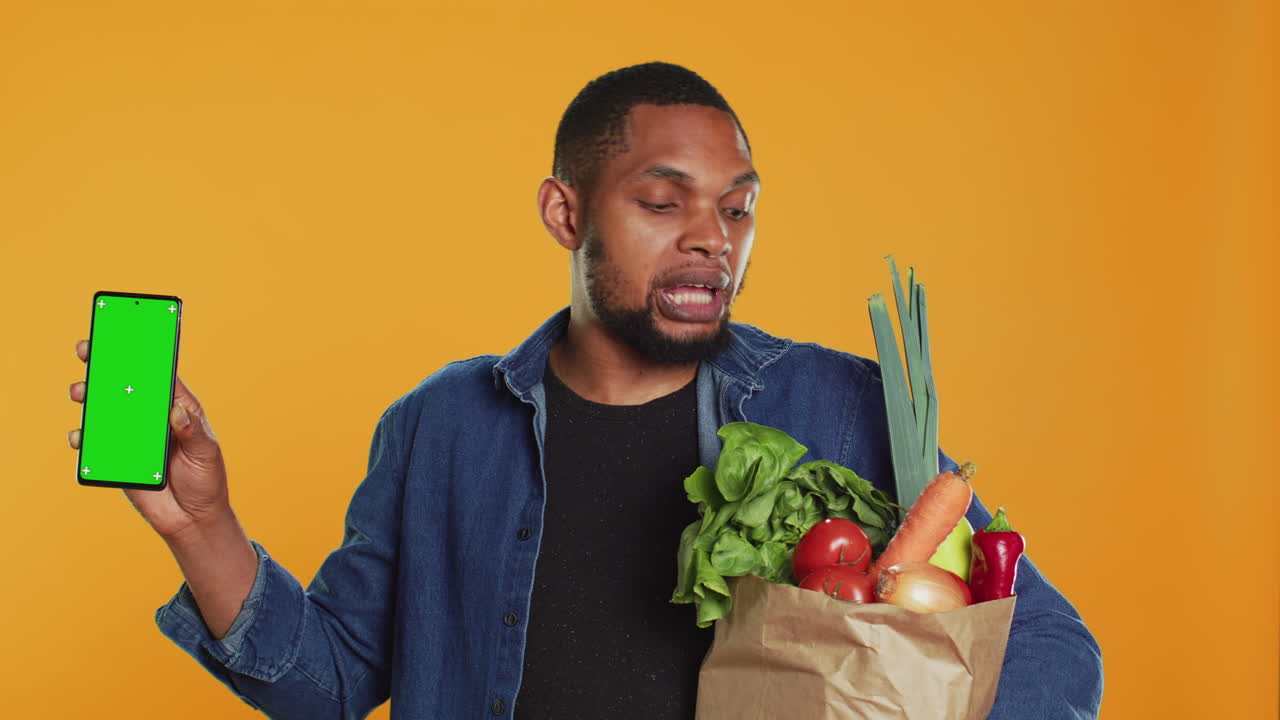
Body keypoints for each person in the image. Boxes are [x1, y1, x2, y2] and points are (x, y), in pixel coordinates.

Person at [66, 62, 1103, 719]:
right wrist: (202, 526)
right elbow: (330, 684)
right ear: (565, 214)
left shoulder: (837, 405)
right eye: (663, 202)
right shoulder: (440, 428)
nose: (711, 237)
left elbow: (1051, 653)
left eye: (737, 211)